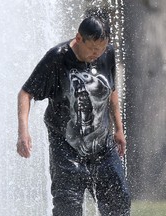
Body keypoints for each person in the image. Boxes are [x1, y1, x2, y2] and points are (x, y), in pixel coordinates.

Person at [16, 15, 131, 216]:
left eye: (102, 48)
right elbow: (26, 93)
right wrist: (23, 132)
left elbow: (111, 89)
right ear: (79, 38)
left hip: (102, 146)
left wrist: (119, 129)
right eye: (93, 48)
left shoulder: (107, 54)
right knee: (68, 208)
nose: (97, 54)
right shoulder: (57, 58)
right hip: (66, 148)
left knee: (118, 203)